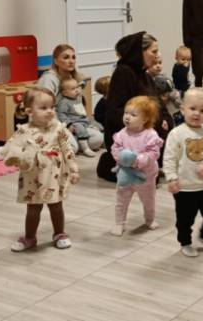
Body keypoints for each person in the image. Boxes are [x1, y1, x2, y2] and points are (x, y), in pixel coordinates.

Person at [0, 88, 79, 252]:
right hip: (32, 176)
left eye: (52, 107)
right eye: (43, 108)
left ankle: (59, 233)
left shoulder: (58, 128)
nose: (50, 111)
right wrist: (8, 153)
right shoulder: (24, 130)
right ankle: (30, 237)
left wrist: (74, 168)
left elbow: (67, 149)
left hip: (54, 175)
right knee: (33, 208)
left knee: (56, 206)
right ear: (29, 111)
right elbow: (12, 146)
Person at [163, 89, 203, 257]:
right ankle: (185, 242)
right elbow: (169, 158)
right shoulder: (176, 134)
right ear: (182, 109)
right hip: (184, 188)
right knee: (185, 220)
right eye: (192, 108)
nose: (197, 113)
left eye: (202, 110)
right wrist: (171, 178)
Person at [96, 32, 162, 182]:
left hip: (144, 128)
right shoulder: (123, 73)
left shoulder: (145, 75)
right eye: (154, 51)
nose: (157, 55)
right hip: (129, 132)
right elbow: (115, 112)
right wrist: (142, 124)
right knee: (147, 177)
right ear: (140, 52)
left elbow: (158, 104)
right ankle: (109, 163)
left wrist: (165, 120)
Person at [110, 96, 164, 236]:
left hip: (145, 176)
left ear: (145, 119)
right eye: (126, 113)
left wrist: (138, 160)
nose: (127, 117)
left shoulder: (150, 135)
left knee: (148, 200)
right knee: (121, 200)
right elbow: (115, 149)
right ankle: (119, 223)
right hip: (125, 175)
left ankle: (149, 219)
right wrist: (121, 158)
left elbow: (153, 153)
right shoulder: (122, 134)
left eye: (133, 115)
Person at [56, 76, 104, 157]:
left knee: (98, 124)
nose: (77, 90)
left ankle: (103, 140)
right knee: (80, 128)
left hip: (84, 120)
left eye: (77, 87)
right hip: (75, 122)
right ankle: (85, 148)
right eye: (73, 89)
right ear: (65, 93)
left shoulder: (78, 98)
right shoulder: (64, 102)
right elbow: (61, 115)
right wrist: (69, 124)